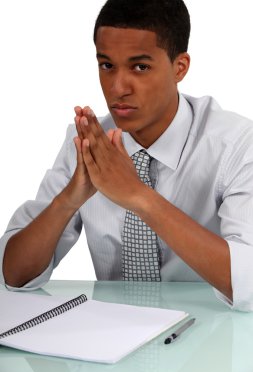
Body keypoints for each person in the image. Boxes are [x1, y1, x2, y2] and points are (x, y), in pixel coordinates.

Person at [0, 0, 253, 311]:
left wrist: (139, 197)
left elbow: (249, 282)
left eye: (140, 67)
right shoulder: (88, 143)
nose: (117, 88)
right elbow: (12, 275)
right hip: (114, 344)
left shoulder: (237, 145)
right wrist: (69, 198)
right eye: (106, 65)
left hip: (215, 342)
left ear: (180, 67)